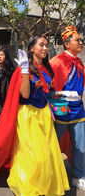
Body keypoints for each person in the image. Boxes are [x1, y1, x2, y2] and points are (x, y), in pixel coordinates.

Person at [0, 35, 69, 196]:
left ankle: (42, 185)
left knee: (48, 154)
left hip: (44, 115)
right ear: (31, 48)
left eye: (46, 45)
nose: (45, 48)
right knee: (35, 155)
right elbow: (24, 93)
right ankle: (28, 185)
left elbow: (49, 90)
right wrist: (24, 70)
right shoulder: (24, 69)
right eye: (41, 45)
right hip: (28, 116)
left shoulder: (47, 68)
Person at [50, 26, 85, 191]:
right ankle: (48, 172)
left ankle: (78, 176)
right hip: (61, 108)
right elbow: (48, 85)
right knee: (52, 142)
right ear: (66, 43)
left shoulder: (79, 62)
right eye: (77, 40)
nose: (81, 42)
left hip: (78, 108)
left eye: (81, 40)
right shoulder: (57, 61)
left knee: (80, 145)